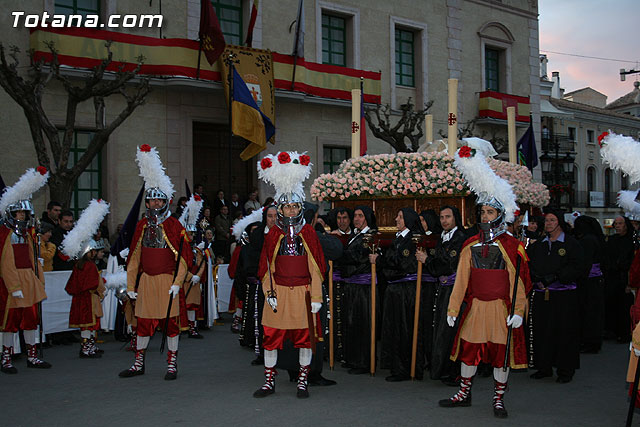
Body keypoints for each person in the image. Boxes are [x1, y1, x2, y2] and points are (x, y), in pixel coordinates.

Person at [439, 146, 530, 418]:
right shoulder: (470, 244)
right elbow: (461, 281)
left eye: (491, 212)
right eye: (483, 212)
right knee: (469, 351)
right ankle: (464, 393)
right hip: (476, 307)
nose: (485, 217)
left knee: (501, 355)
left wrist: (518, 311)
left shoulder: (513, 246)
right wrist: (453, 309)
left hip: (501, 310)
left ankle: (499, 399)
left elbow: (522, 282)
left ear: (500, 215)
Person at [253, 151, 325, 399]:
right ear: (281, 208)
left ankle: (302, 381)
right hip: (278, 294)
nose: (292, 210)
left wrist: (316, 296)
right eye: (287, 206)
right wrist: (269, 294)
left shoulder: (309, 233)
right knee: (271, 337)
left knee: (304, 339)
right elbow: (266, 269)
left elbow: (315, 267)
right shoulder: (273, 234)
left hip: (303, 293)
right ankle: (269, 381)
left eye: (295, 206)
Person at [119, 145, 191, 381]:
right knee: (144, 324)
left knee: (170, 324)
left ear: (165, 203)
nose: (155, 205)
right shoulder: (141, 226)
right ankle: (138, 363)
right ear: (147, 204)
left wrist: (178, 282)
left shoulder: (174, 226)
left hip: (167, 282)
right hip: (147, 283)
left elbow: (183, 256)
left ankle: (172, 364)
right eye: (151, 202)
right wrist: (131, 286)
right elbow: (134, 258)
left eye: (159, 202)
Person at [0, 167, 51, 373]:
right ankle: (6, 358)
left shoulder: (28, 234)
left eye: (24, 213)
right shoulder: (5, 234)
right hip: (12, 282)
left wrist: (38, 278)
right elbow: (6, 263)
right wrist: (14, 286)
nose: (21, 216)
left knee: (31, 320)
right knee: (10, 322)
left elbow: (32, 258)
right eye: (18, 212)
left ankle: (32, 355)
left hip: (29, 279)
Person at [527, 210, 583, 383]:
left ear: (560, 222)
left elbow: (577, 266)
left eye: (552, 220)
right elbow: (529, 264)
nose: (548, 223)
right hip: (542, 294)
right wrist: (536, 277)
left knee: (564, 332)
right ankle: (544, 366)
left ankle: (565, 369)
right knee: (542, 330)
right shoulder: (539, 245)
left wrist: (556, 276)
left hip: (563, 295)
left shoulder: (571, 244)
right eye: (547, 220)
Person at [371, 207, 424, 382]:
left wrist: (381, 260)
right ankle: (396, 365)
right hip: (394, 288)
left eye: (400, 217)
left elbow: (403, 263)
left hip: (405, 290)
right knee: (393, 327)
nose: (396, 219)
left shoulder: (412, 239)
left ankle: (406, 367)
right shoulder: (399, 239)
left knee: (404, 328)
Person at [419, 205, 466, 385]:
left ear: (455, 218)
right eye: (441, 217)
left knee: (452, 331)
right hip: (443, 288)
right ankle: (443, 369)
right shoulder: (443, 238)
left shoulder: (460, 238)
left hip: (454, 289)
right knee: (442, 329)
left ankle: (456, 372)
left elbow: (448, 264)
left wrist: (427, 260)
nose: (444, 220)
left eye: (448, 217)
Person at [62, 199, 110, 358]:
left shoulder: (79, 265)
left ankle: (89, 346)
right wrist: (100, 285)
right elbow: (92, 283)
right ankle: (86, 349)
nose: (96, 253)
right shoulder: (88, 266)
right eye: (94, 251)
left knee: (88, 325)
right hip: (88, 299)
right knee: (88, 325)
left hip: (82, 299)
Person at [335, 205, 378, 375]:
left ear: (367, 218)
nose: (357, 219)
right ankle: (353, 358)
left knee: (362, 323)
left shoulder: (370, 236)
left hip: (363, 288)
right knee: (351, 322)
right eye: (356, 216)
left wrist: (338, 252)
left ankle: (363, 362)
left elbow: (358, 257)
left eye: (360, 216)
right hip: (352, 284)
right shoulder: (356, 235)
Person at [573, 215, 605, 354]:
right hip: (595, 280)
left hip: (588, 281)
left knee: (589, 312)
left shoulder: (587, 241)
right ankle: (593, 340)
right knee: (594, 312)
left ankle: (589, 341)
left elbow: (584, 263)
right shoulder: (595, 239)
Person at [602, 216, 634, 342]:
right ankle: (612, 331)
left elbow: (630, 261)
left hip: (624, 278)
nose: (618, 226)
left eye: (620, 223)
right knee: (612, 305)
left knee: (624, 307)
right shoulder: (611, 240)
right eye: (616, 223)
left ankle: (624, 333)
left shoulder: (631, 240)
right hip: (612, 277)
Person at [178, 195, 206, 339]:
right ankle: (185, 326)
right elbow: (180, 264)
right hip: (184, 280)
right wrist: (190, 277)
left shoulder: (196, 248)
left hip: (195, 280)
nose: (192, 235)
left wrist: (198, 276)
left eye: (194, 233)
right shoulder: (182, 248)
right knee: (185, 304)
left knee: (194, 305)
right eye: (190, 233)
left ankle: (193, 327)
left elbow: (201, 263)